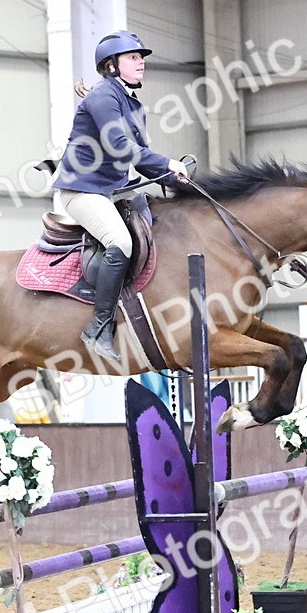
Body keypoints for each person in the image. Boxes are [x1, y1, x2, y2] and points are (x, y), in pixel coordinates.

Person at [53, 31, 190, 365]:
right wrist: (166, 163)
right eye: (132, 57)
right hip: (82, 190)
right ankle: (99, 327)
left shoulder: (132, 104)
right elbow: (121, 147)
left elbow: (139, 156)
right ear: (111, 65)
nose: (141, 62)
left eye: (141, 57)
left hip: (111, 191)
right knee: (120, 242)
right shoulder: (103, 97)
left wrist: (175, 179)